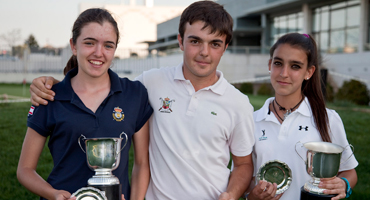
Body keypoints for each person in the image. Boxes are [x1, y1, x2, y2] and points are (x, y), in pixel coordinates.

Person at [28, 1, 256, 200]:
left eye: (215, 43)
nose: (204, 52)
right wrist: (52, 84)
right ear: (180, 41)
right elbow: (96, 82)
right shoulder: (151, 82)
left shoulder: (238, 103)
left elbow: (244, 164)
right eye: (195, 41)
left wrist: (232, 194)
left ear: (225, 47)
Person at [17, 8, 153, 200]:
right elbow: (25, 169)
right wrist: (54, 194)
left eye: (108, 45)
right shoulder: (48, 96)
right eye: (89, 43)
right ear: (73, 45)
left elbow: (141, 164)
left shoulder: (134, 94)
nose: (99, 53)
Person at [246, 33, 358, 200]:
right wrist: (251, 196)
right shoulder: (251, 121)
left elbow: (349, 171)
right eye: (278, 63)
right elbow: (243, 175)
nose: (284, 73)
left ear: (309, 72)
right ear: (270, 65)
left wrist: (344, 184)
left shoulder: (328, 119)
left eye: (295, 66)